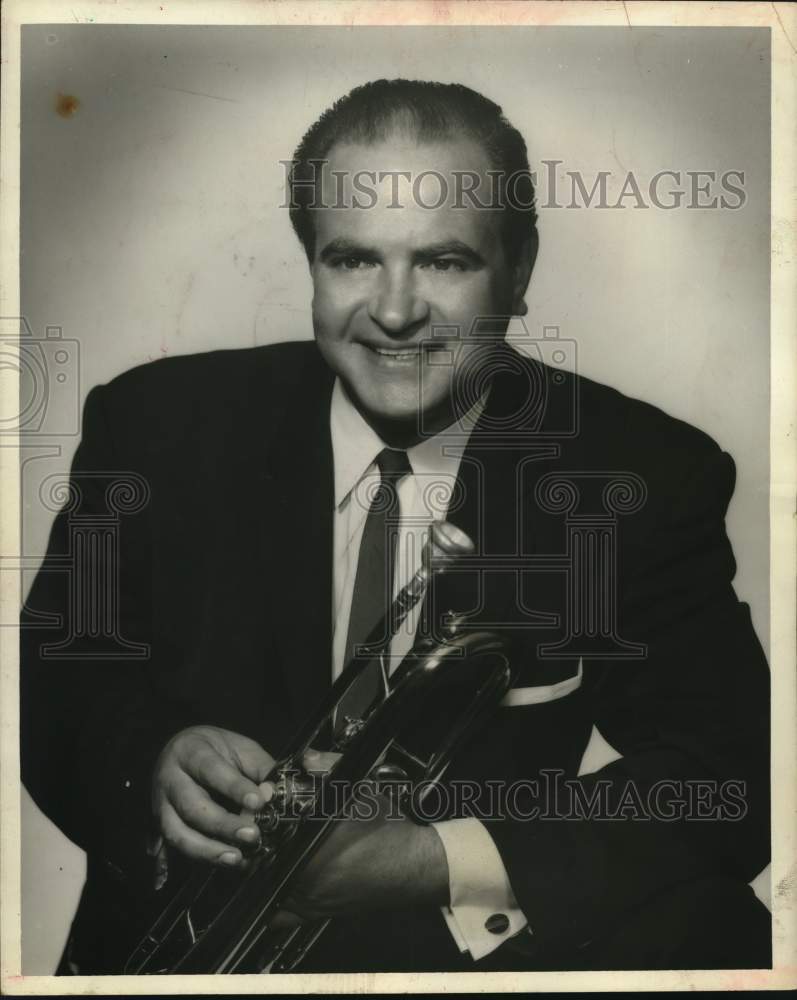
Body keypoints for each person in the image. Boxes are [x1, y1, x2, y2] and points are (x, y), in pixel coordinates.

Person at [20, 79, 771, 975]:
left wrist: (426, 863)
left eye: (445, 261)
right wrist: (153, 763)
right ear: (310, 261)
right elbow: (57, 682)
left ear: (520, 269)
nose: (394, 310)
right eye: (352, 260)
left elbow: (727, 778)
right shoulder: (153, 425)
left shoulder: (639, 473)